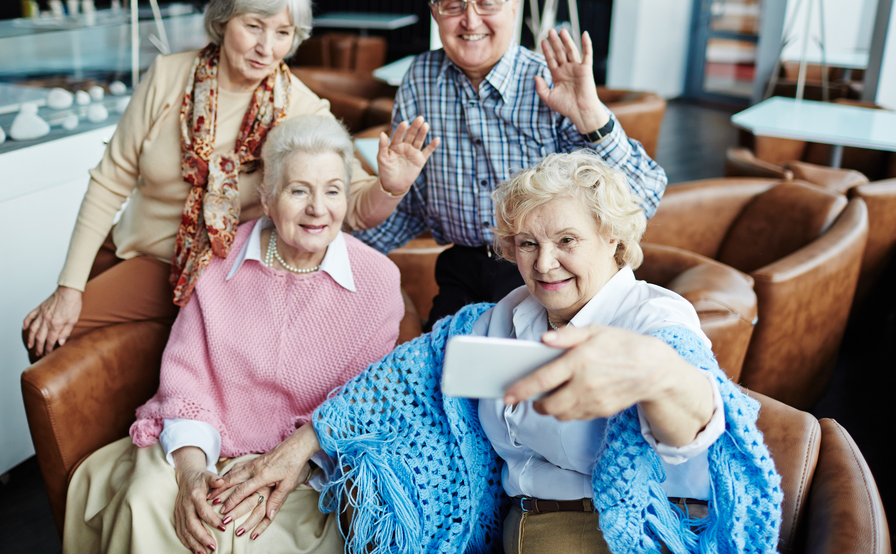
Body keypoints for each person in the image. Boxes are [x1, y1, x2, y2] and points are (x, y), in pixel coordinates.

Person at [313, 151, 782, 554]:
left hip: (608, 531)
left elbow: (697, 419)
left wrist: (659, 376)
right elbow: (407, 376)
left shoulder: (656, 319)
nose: (543, 263)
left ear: (613, 237)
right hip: (514, 525)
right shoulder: (509, 313)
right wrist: (310, 440)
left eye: (566, 241)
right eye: (527, 244)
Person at [23, 0, 436, 358]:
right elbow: (111, 180)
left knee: (53, 340)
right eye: (253, 26)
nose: (266, 47)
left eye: (282, 32)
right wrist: (69, 286)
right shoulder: (168, 75)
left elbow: (355, 208)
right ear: (222, 20)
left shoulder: (300, 107)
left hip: (211, 268)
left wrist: (389, 186)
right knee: (40, 331)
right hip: (129, 245)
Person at [63, 115, 404, 554]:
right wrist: (190, 472)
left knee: (241, 534)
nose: (318, 208)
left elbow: (361, 406)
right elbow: (187, 380)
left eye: (333, 190)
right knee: (146, 500)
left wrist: (289, 467)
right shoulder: (219, 263)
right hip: (197, 441)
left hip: (301, 466)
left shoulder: (376, 282)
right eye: (299, 190)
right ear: (266, 197)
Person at [355, 0, 667, 327]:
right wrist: (337, 252)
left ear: (513, 8)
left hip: (546, 269)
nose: (470, 20)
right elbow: (416, 204)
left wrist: (590, 115)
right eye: (453, 5)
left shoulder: (551, 79)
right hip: (462, 268)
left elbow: (644, 196)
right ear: (435, 12)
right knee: (443, 371)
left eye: (487, 3)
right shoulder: (419, 80)